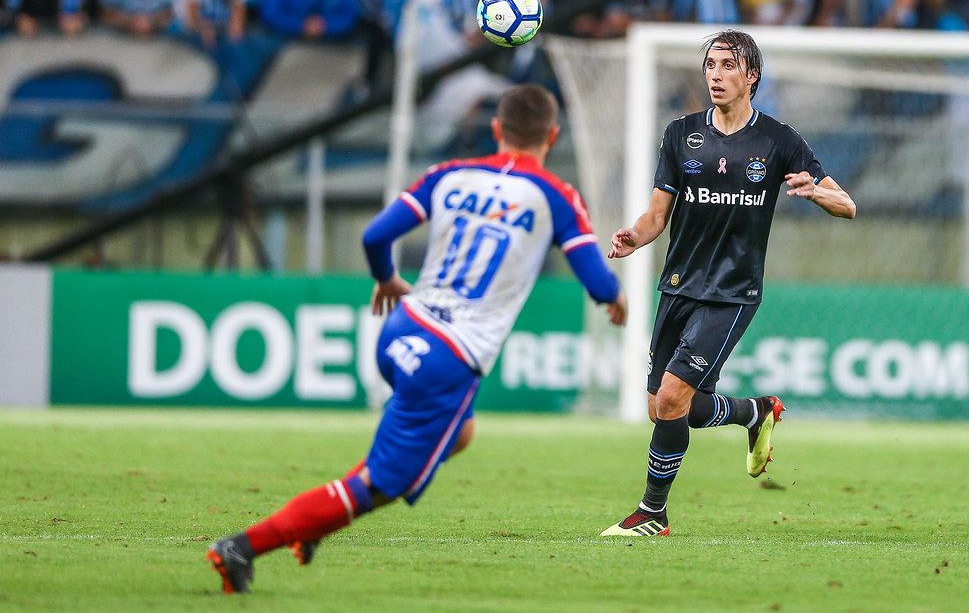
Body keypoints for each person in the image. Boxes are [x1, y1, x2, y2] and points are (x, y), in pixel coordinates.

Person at [206, 84, 629, 594]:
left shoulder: (449, 175)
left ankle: (317, 518)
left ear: (496, 130)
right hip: (447, 357)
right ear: (552, 135)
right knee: (380, 484)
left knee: (461, 433)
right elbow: (599, 281)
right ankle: (243, 546)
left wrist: (386, 277)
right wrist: (615, 298)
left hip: (403, 327)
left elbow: (374, 235)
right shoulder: (557, 197)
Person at [601, 30, 856, 538]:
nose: (715, 75)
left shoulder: (780, 141)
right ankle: (754, 412)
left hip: (732, 292)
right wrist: (635, 236)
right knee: (670, 408)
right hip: (679, 284)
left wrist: (812, 193)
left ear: (751, 76)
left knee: (671, 399)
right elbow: (657, 215)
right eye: (710, 65)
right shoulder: (681, 133)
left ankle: (652, 514)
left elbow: (847, 205)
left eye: (727, 66)